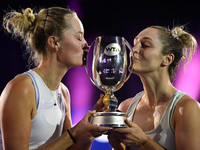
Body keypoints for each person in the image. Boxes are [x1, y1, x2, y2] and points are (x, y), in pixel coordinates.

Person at [0, 7, 111, 150]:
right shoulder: (22, 88)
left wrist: (93, 121)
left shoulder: (63, 92)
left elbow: (69, 147)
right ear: (54, 43)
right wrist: (73, 134)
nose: (86, 46)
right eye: (79, 37)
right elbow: (70, 137)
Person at [107, 26, 200, 150]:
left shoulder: (186, 108)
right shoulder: (125, 107)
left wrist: (143, 142)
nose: (134, 50)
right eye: (134, 44)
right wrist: (118, 147)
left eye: (145, 45)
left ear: (167, 59)